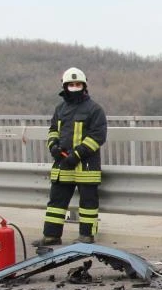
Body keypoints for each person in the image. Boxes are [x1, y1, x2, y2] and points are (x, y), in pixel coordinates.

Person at [31, 67, 108, 247]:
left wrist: (78, 154)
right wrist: (54, 147)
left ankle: (86, 236)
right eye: (71, 84)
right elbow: (52, 131)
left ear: (84, 85)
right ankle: (51, 236)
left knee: (88, 202)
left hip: (86, 165)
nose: (75, 87)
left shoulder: (95, 109)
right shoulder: (60, 108)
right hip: (62, 163)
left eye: (78, 84)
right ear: (65, 86)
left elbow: (98, 136)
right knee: (56, 201)